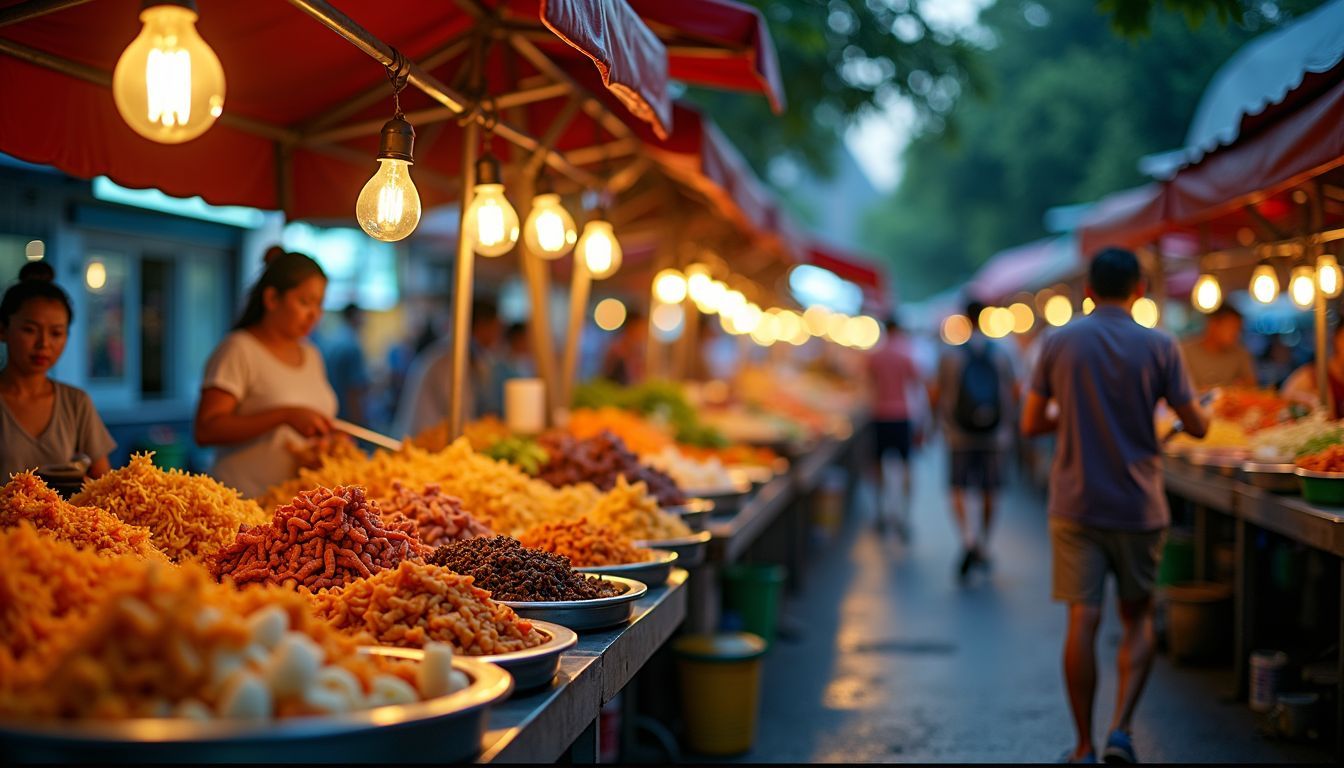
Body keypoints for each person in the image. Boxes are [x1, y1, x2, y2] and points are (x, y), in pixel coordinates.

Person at [1022, 248, 1209, 764]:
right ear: (1140, 290)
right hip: (1138, 504)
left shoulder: (1058, 342)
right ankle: (1121, 730)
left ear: (1087, 290)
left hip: (1075, 504)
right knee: (1138, 616)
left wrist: (1077, 415)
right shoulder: (1161, 345)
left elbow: (1031, 423)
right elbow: (1198, 426)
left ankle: (1082, 746)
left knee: (1082, 620)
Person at [194, 247, 337, 499]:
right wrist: (284, 415)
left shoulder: (312, 355)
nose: (314, 314)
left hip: (293, 507)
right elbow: (206, 429)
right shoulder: (239, 349)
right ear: (272, 299)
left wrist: (330, 443)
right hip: (240, 501)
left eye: (319, 304)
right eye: (305, 302)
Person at [0, 263, 116, 479]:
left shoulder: (76, 403)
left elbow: (104, 484)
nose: (43, 343)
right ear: (3, 330)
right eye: (30, 330)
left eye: (56, 333)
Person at [929, 299, 1017, 581]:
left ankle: (967, 539)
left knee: (958, 488)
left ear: (964, 318)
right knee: (991, 490)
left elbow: (936, 392)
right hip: (994, 435)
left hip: (958, 434)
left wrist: (933, 425)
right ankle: (984, 543)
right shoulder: (1003, 352)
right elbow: (1015, 391)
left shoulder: (949, 354)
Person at [394, 299, 505, 437]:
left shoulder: (473, 357)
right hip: (424, 441)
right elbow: (461, 412)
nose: (498, 333)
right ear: (482, 325)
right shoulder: (449, 360)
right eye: (496, 326)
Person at [865, 314, 923, 535]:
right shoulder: (906, 355)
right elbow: (916, 385)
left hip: (879, 414)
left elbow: (868, 382)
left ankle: (880, 512)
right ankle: (904, 515)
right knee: (906, 466)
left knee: (878, 464)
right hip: (902, 415)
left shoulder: (875, 356)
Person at [1180, 304, 1256, 391]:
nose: (1235, 334)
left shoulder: (1240, 354)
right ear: (1213, 325)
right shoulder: (1185, 352)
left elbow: (1250, 386)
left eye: (1238, 329)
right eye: (1231, 327)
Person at [318, 302, 370, 424]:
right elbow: (354, 390)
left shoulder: (332, 339)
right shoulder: (352, 346)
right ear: (355, 316)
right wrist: (359, 422)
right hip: (347, 415)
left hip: (331, 412)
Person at [601, 309, 647, 385]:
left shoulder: (638, 352)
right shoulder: (616, 350)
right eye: (639, 328)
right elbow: (607, 378)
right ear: (630, 327)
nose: (642, 333)